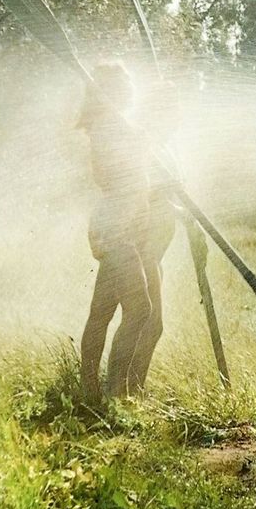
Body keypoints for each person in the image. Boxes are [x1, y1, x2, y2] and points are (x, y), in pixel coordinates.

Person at [79, 64, 168, 400]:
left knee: (101, 311)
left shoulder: (119, 124)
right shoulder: (107, 126)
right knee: (140, 310)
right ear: (113, 88)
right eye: (127, 81)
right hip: (114, 227)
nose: (133, 86)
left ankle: (92, 393)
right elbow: (112, 174)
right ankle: (114, 394)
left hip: (124, 227)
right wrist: (141, 144)